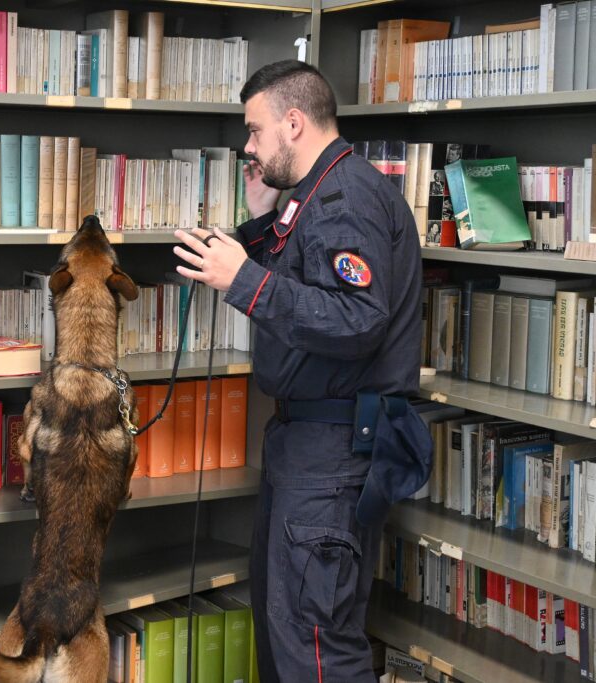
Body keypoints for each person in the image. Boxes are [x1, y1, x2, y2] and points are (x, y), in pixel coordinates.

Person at [173, 60, 426, 682]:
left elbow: (358, 318)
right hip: (305, 448)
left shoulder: (347, 198)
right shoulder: (313, 196)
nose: (249, 146)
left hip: (332, 455)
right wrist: (261, 223)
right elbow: (307, 286)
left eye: (255, 132)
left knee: (317, 649)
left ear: (293, 122)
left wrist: (245, 281)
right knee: (288, 636)